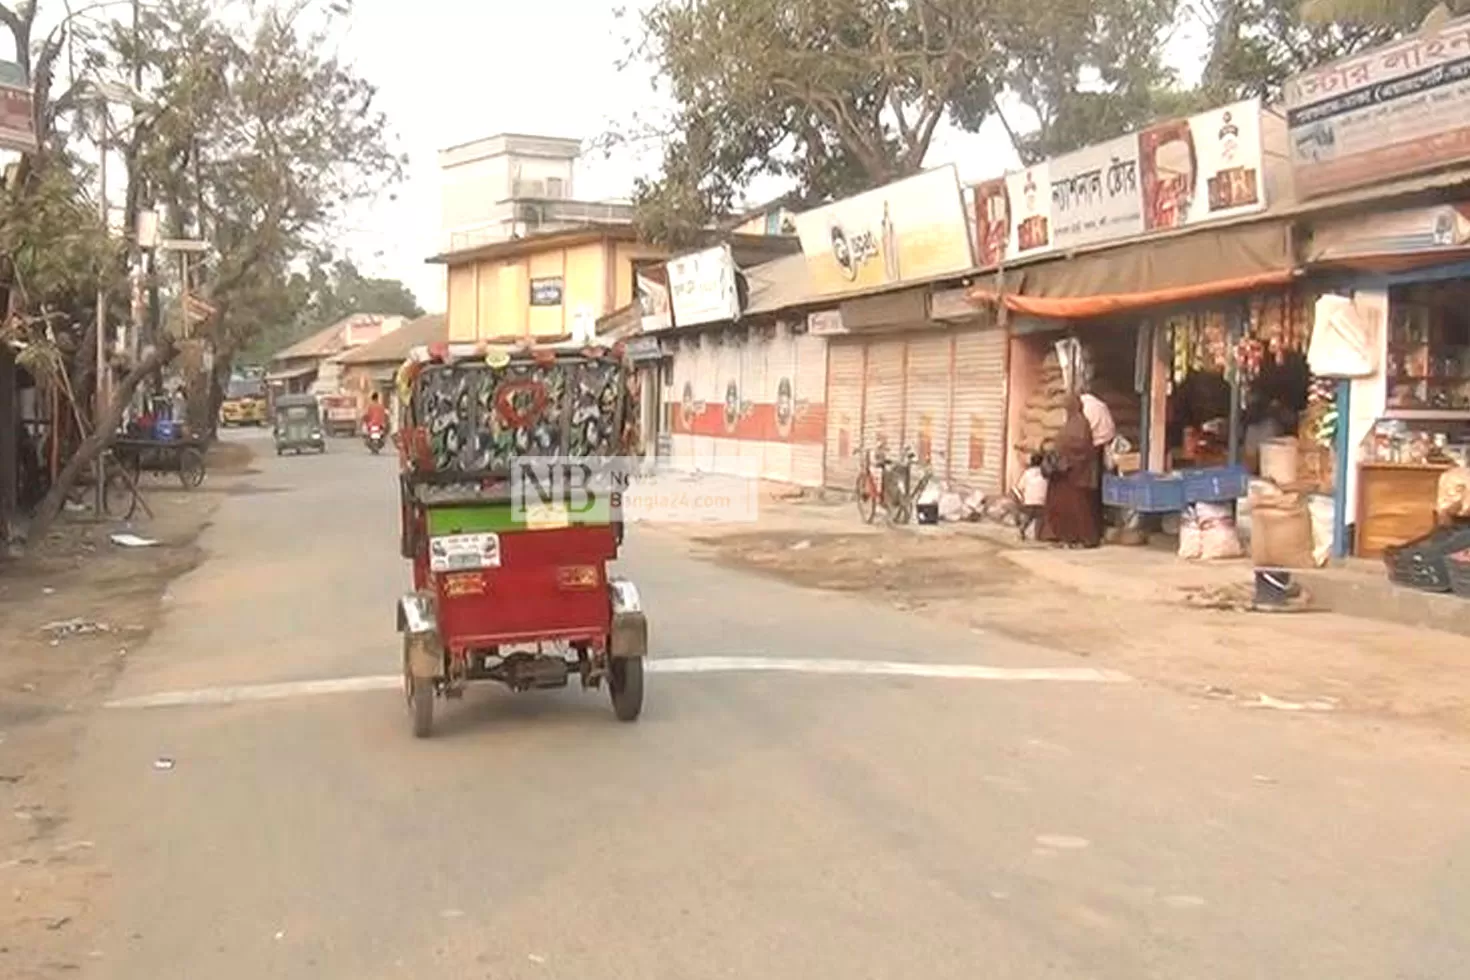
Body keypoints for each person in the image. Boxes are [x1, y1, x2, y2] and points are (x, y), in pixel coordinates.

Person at [1044, 395, 1102, 549]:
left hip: (1076, 474)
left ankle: (1084, 538)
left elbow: (1081, 447)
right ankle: (1066, 536)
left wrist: (1065, 455)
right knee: (1062, 506)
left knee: (1079, 508)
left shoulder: (1081, 424)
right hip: (1065, 475)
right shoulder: (1071, 423)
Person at [1079, 388, 1115, 527]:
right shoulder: (1101, 405)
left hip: (1089, 449)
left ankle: (1091, 518)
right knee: (1099, 484)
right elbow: (1111, 428)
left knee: (1088, 485)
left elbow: (1083, 432)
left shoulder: (1083, 408)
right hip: (1103, 446)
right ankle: (1100, 516)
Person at [1014, 452, 1048, 542]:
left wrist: (1021, 499)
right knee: (1042, 518)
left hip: (1029, 501)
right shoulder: (1045, 473)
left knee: (1028, 518)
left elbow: (1019, 487)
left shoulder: (1027, 473)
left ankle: (1022, 530)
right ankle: (1039, 535)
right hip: (1042, 502)